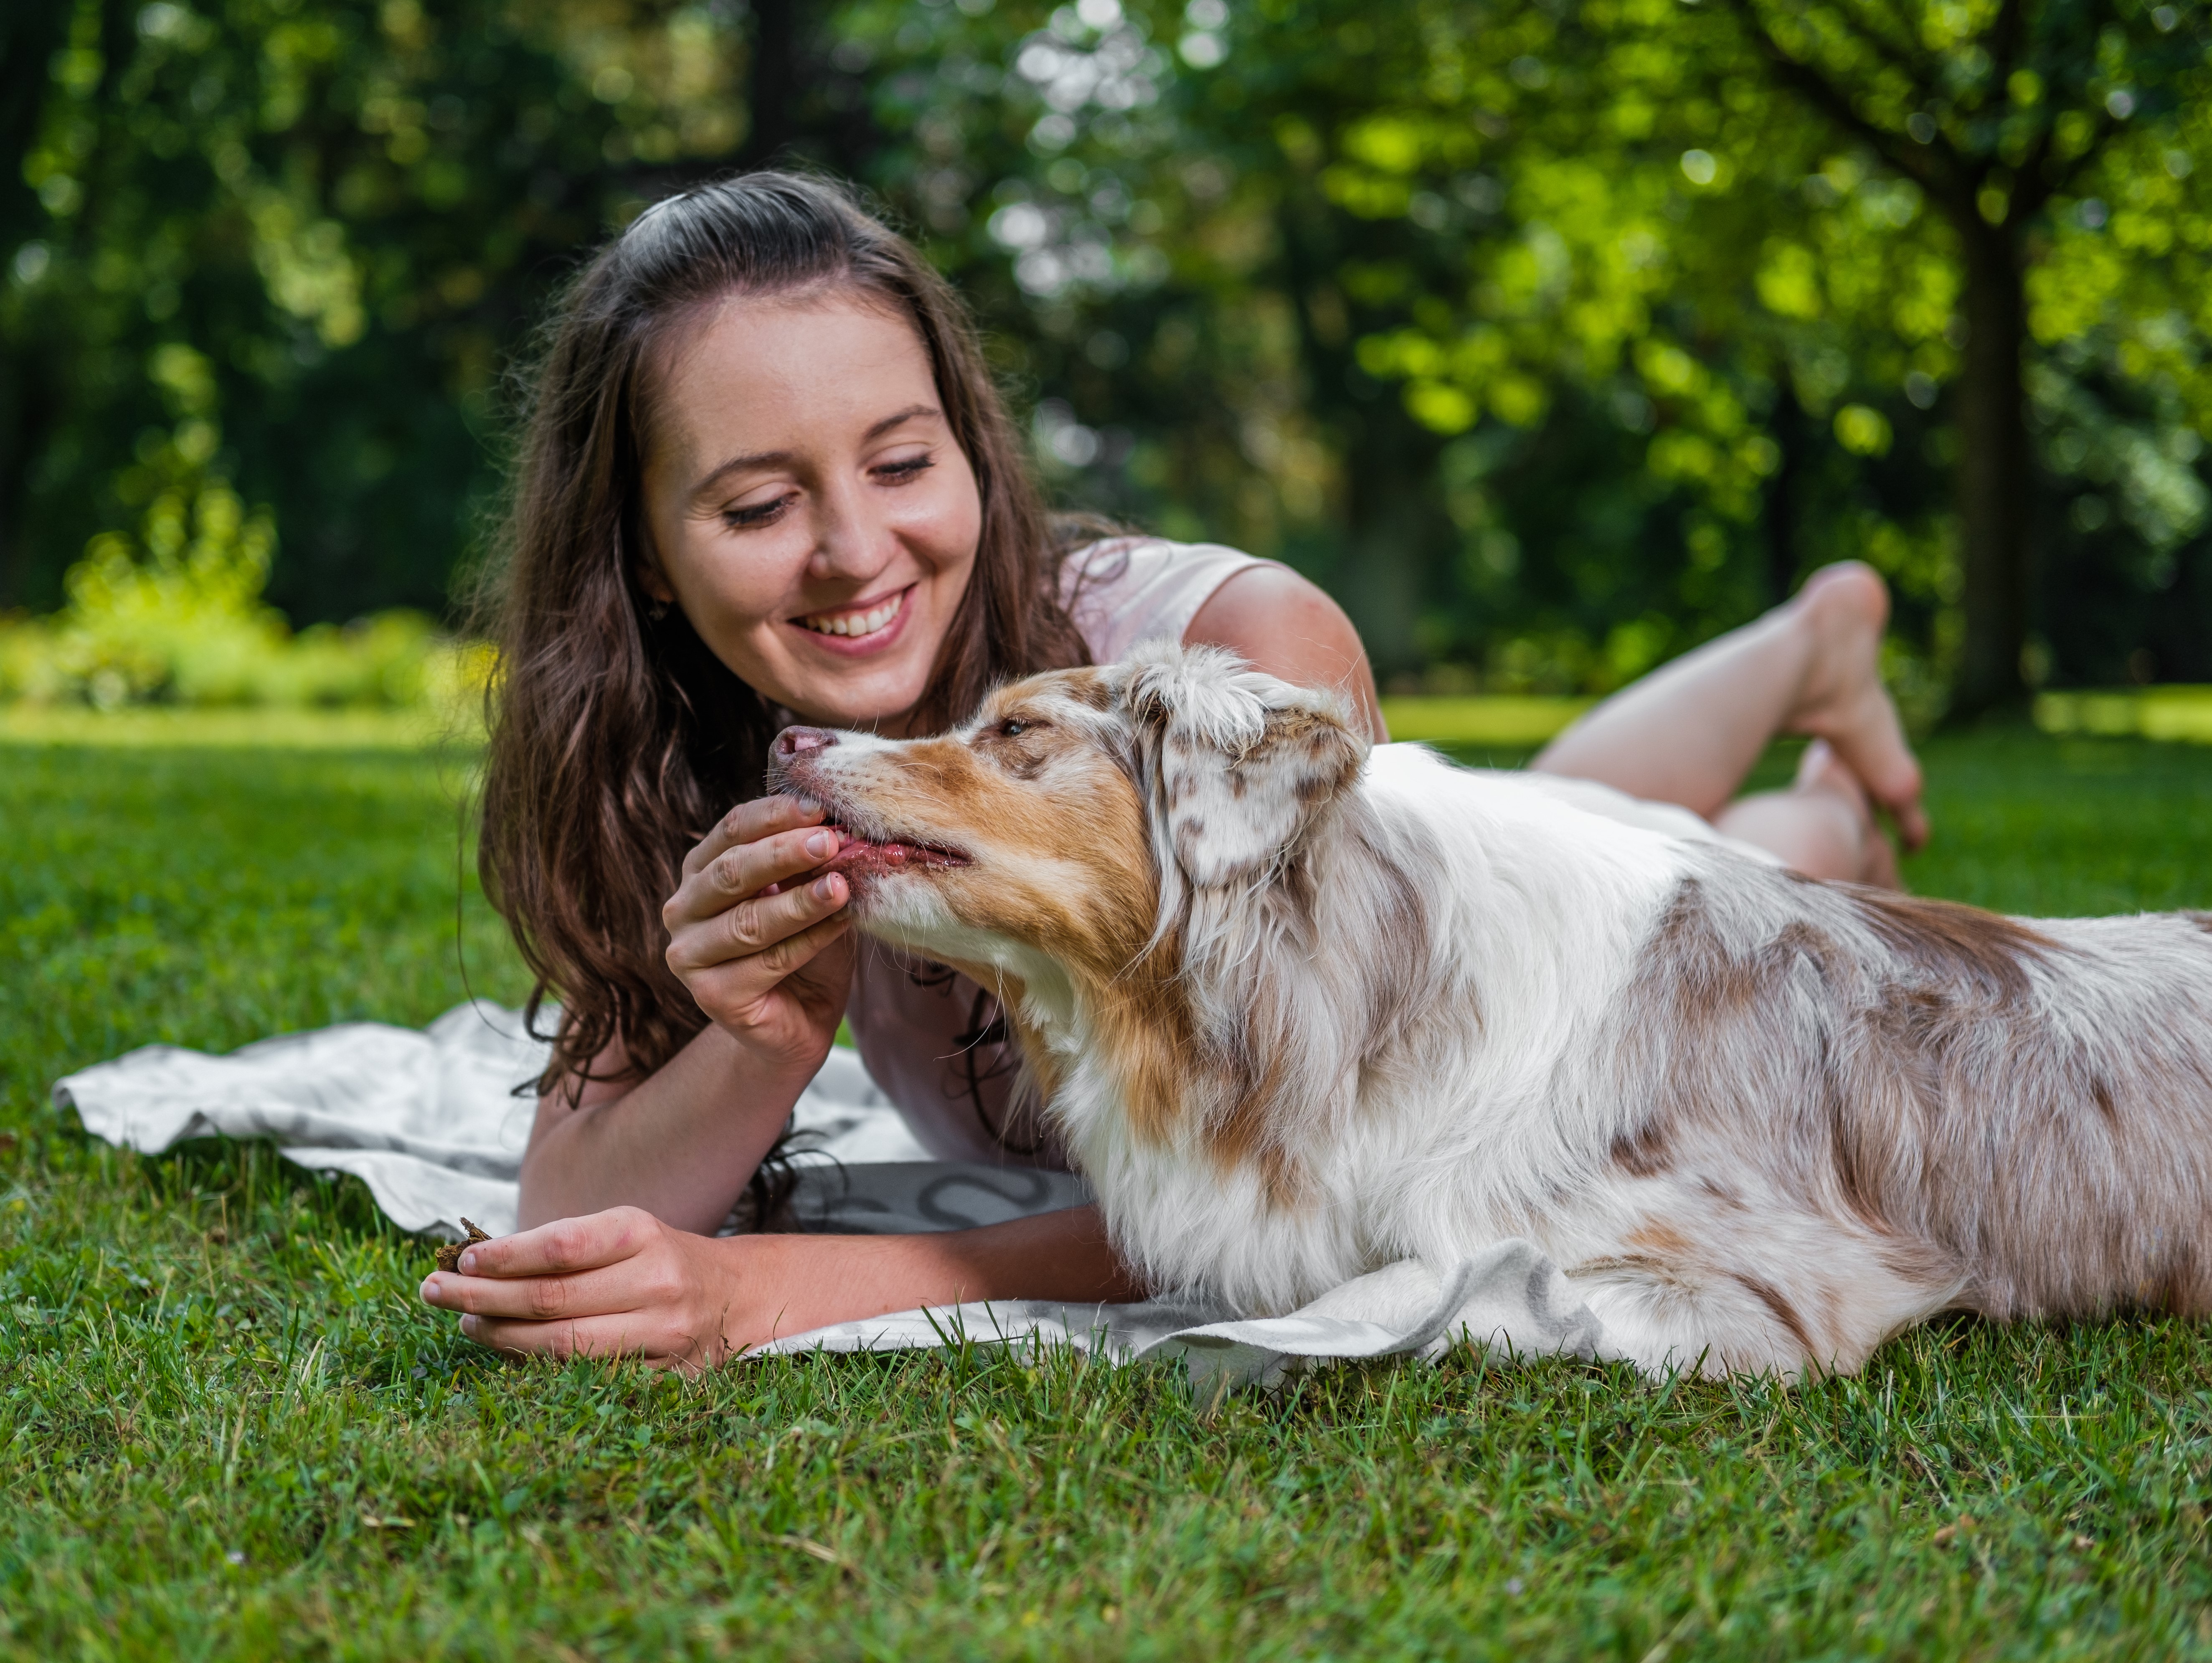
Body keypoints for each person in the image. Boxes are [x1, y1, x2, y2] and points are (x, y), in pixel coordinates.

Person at [419, 173, 1928, 1366]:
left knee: (1701, 864)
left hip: (1567, 965)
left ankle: (1815, 732)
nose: (854, 552)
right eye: (756, 505)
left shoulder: (1234, 669)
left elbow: (1321, 1195)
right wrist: (768, 1033)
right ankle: (1807, 657)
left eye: (899, 464)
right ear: (652, 565)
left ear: (974, 451)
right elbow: (570, 1219)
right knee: (1585, 807)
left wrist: (771, 1288)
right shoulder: (682, 756)